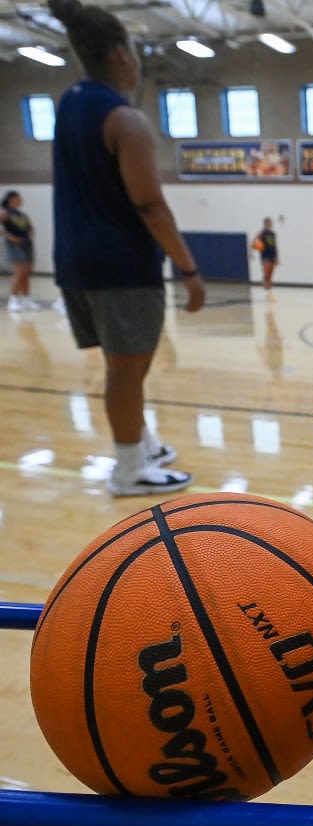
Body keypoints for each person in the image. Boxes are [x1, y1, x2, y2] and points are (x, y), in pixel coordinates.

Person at [48, 0, 206, 496]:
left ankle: (143, 444)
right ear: (121, 54)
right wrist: (189, 270)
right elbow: (149, 205)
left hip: (75, 260)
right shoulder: (125, 119)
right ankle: (129, 469)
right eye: (135, 52)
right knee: (126, 369)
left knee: (123, 368)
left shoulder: (69, 104)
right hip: (120, 264)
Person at [1, 191, 42, 312]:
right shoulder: (5, 212)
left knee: (27, 273)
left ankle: (26, 300)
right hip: (15, 246)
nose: (21, 200)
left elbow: (30, 227)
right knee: (20, 272)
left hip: (27, 245)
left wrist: (30, 235)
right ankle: (12, 301)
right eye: (18, 198)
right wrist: (10, 237)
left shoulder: (22, 214)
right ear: (11, 199)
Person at [253, 217, 278, 299]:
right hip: (265, 256)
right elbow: (255, 241)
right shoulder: (262, 233)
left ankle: (269, 292)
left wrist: (276, 257)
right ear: (265, 224)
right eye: (268, 223)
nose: (270, 225)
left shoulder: (273, 234)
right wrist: (251, 252)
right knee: (266, 273)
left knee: (270, 274)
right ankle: (265, 289)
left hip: (272, 255)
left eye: (270, 223)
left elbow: (275, 246)